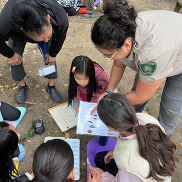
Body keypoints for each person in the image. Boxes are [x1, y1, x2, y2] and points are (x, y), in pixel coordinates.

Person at [91, 0, 182, 136]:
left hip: (177, 57)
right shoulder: (122, 28)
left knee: (170, 104)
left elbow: (141, 95)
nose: (106, 58)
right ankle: (133, 124)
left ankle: (163, 136)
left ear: (127, 44)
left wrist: (111, 102)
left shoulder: (151, 54)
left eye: (108, 54)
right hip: (169, 38)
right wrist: (109, 92)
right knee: (135, 94)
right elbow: (118, 63)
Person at [89, 93, 178, 182]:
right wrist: (116, 153)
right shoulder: (146, 118)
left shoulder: (128, 163)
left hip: (137, 173)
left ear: (111, 127)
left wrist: (102, 176)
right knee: (99, 158)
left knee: (96, 174)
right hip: (150, 169)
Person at [0, 0, 69, 104]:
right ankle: (22, 86)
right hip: (17, 34)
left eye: (48, 36)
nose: (46, 40)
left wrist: (53, 54)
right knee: (15, 60)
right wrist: (10, 55)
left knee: (50, 58)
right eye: (41, 39)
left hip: (42, 26)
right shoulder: (6, 22)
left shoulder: (59, 16)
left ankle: (51, 86)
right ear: (23, 29)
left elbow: (60, 37)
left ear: (48, 17)